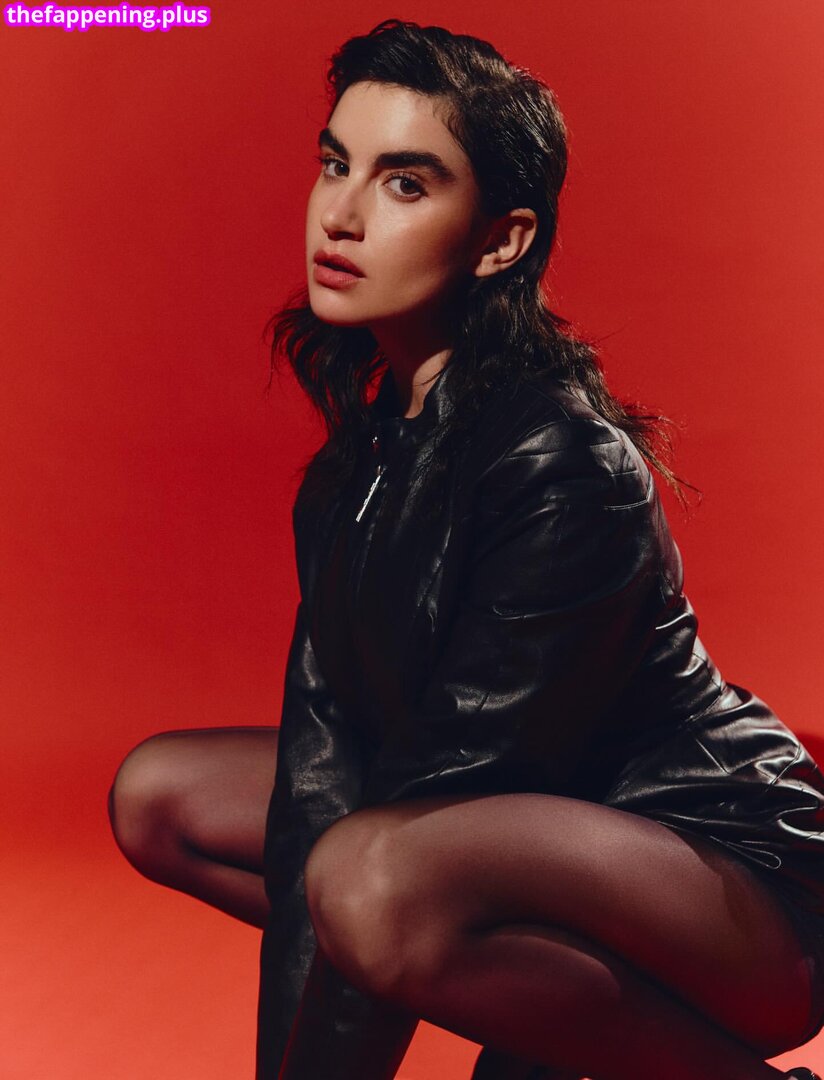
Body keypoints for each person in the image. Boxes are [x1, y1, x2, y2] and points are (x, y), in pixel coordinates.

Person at [107, 18, 824, 1080]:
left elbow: (439, 801)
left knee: (368, 872)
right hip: (530, 844)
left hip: (731, 886)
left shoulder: (560, 463)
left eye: (405, 184)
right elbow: (320, 784)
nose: (341, 214)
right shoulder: (358, 466)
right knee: (161, 797)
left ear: (499, 241)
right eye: (335, 164)